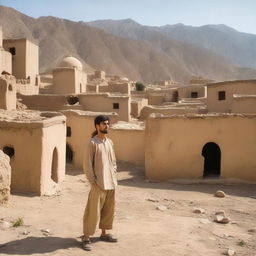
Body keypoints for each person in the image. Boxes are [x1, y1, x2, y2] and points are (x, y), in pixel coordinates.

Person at [81, 115, 118, 251]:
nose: (107, 126)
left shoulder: (110, 142)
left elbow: (113, 161)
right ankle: (86, 237)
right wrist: (93, 182)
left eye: (108, 124)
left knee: (109, 210)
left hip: (111, 182)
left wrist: (114, 174)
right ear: (97, 126)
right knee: (93, 212)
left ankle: (104, 233)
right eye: (104, 124)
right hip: (98, 184)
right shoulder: (92, 143)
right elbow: (87, 165)